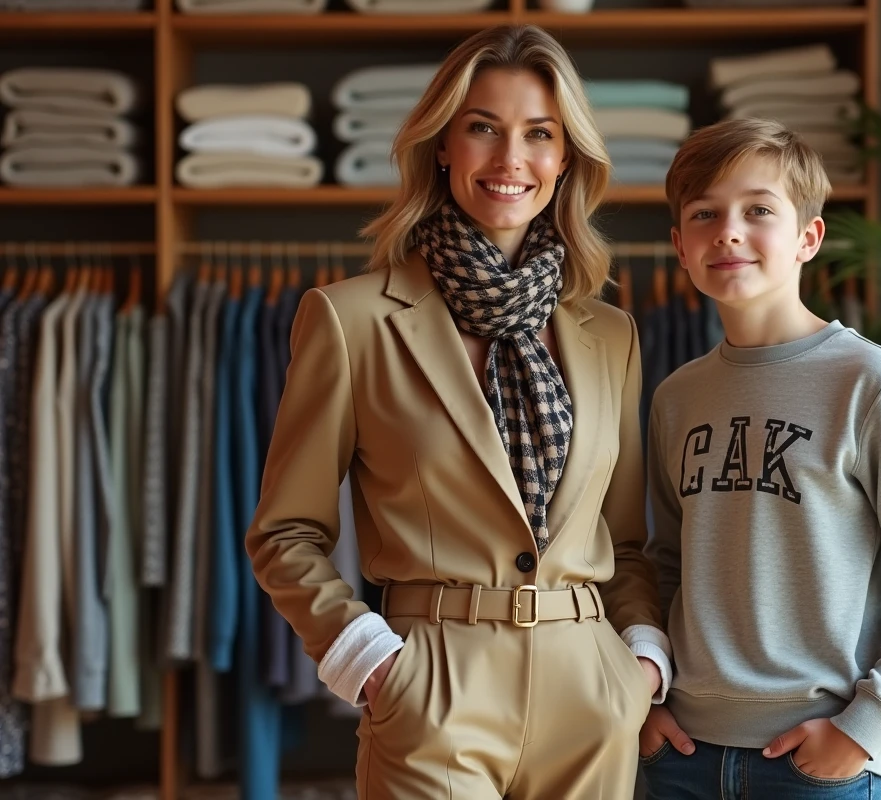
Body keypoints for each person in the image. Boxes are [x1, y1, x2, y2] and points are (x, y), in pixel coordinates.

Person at [245, 24, 671, 800]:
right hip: (432, 683)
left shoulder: (610, 333)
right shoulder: (352, 321)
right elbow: (285, 532)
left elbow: (626, 539)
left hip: (590, 691)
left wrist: (636, 663)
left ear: (566, 156)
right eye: (483, 129)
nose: (512, 160)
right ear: (442, 144)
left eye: (539, 134)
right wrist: (371, 662)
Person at [637, 117, 881, 799]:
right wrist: (648, 704)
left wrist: (866, 726)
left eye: (758, 210)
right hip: (680, 757)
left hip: (814, 763)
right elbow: (663, 566)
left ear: (807, 238)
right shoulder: (676, 397)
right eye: (705, 214)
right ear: (680, 245)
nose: (728, 230)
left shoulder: (872, 385)